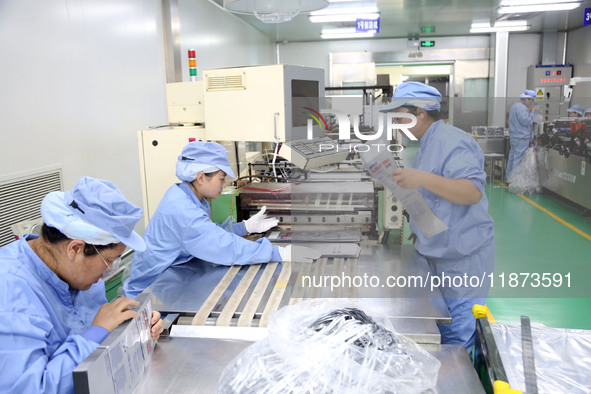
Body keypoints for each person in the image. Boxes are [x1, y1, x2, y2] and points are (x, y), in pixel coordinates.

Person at [0, 176, 164, 393]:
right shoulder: (11, 291)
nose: (110, 270)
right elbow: (30, 388)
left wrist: (132, 330)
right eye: (108, 261)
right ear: (75, 249)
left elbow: (92, 333)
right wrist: (98, 331)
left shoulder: (79, 276)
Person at [123, 141, 320, 298]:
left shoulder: (189, 195)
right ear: (201, 177)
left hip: (173, 276)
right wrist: (277, 252)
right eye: (221, 177)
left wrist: (244, 227)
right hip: (150, 291)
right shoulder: (182, 210)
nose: (224, 184)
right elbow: (221, 246)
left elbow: (207, 233)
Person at [384, 82, 495, 355]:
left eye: (400, 117)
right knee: (442, 326)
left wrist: (422, 178)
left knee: (459, 335)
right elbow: (437, 195)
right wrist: (420, 222)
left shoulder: (454, 141)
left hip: (462, 256)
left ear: (420, 113)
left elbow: (471, 192)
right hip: (439, 249)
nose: (398, 125)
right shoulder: (427, 144)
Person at [506, 89, 538, 178]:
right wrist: (532, 113)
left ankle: (509, 177)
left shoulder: (515, 106)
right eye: (531, 101)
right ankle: (514, 181)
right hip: (521, 137)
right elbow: (526, 122)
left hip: (514, 137)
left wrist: (529, 112)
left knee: (512, 158)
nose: (531, 103)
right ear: (527, 99)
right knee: (518, 159)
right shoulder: (522, 108)